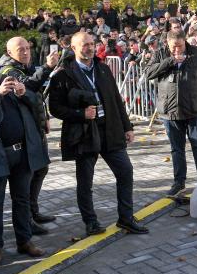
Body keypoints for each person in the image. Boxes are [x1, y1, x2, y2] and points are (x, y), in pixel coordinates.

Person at [48, 32, 148, 236]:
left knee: (125, 172)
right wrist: (80, 114)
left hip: (109, 129)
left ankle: (126, 218)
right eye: (84, 45)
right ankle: (91, 222)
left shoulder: (102, 68)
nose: (90, 48)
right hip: (84, 133)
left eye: (92, 44)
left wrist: (128, 126)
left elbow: (116, 100)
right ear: (74, 48)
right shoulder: (63, 74)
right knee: (85, 181)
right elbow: (55, 108)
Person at [144, 31, 197, 196]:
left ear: (185, 42)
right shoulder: (161, 53)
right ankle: (179, 182)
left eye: (180, 46)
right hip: (170, 110)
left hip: (194, 109)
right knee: (177, 149)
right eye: (174, 46)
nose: (177, 50)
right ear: (167, 43)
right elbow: (148, 73)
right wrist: (170, 61)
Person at [0, 37, 59, 230]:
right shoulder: (8, 72)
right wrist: (48, 67)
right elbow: (29, 89)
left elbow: (37, 97)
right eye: (20, 49)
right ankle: (28, 221)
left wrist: (45, 118)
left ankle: (33, 212)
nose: (26, 52)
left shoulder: (26, 67)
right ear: (9, 53)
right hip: (23, 134)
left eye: (27, 48)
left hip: (35, 126)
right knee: (30, 174)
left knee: (41, 169)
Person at [0, 65, 49, 264]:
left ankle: (24, 241)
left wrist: (23, 93)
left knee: (22, 199)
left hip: (20, 152)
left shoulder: (7, 78)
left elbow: (35, 102)